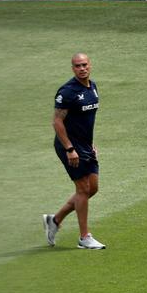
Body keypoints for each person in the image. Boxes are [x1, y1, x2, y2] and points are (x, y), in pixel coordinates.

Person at [44, 53, 105, 250]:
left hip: (85, 146)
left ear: (90, 65)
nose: (82, 68)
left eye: (84, 64)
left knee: (92, 188)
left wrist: (91, 143)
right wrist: (69, 149)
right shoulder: (67, 91)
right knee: (82, 189)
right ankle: (84, 237)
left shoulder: (93, 87)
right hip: (68, 146)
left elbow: (85, 122)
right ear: (73, 68)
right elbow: (57, 121)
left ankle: (54, 220)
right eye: (77, 66)